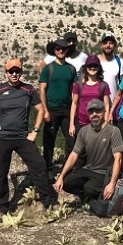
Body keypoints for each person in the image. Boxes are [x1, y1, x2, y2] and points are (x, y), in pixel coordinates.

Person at [0, 58, 58, 215]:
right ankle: (1, 206)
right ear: (6, 73)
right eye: (11, 71)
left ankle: (49, 201)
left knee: (39, 165)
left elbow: (41, 110)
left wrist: (35, 131)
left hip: (22, 137)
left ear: (21, 72)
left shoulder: (28, 90)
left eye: (17, 71)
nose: (14, 74)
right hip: (2, 137)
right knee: (1, 171)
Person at [53, 99, 123, 203]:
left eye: (98, 111)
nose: (94, 114)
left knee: (90, 188)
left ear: (104, 112)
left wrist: (112, 184)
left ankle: (101, 196)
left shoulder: (113, 131)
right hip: (88, 169)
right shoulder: (84, 131)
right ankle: (87, 197)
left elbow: (118, 159)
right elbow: (73, 155)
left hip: (104, 172)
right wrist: (61, 176)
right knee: (67, 183)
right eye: (91, 111)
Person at [39, 38, 77, 168]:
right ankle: (47, 169)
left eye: (64, 49)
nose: (61, 51)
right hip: (52, 109)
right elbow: (42, 90)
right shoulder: (48, 69)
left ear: (67, 50)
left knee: (72, 141)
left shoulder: (71, 69)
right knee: (49, 141)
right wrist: (45, 110)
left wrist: (74, 110)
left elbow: (74, 91)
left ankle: (67, 168)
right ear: (54, 51)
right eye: (58, 48)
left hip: (67, 109)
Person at [69, 55, 111, 139]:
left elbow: (106, 105)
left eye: (95, 66)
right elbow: (74, 103)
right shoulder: (79, 84)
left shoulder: (103, 85)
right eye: (90, 66)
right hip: (81, 123)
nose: (92, 68)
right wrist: (71, 124)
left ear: (99, 68)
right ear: (85, 68)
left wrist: (105, 123)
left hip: (98, 124)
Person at [98, 33, 123, 101]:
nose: (108, 45)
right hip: (96, 104)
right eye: (105, 43)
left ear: (115, 45)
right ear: (101, 45)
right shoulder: (95, 61)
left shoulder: (119, 62)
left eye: (111, 43)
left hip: (113, 105)